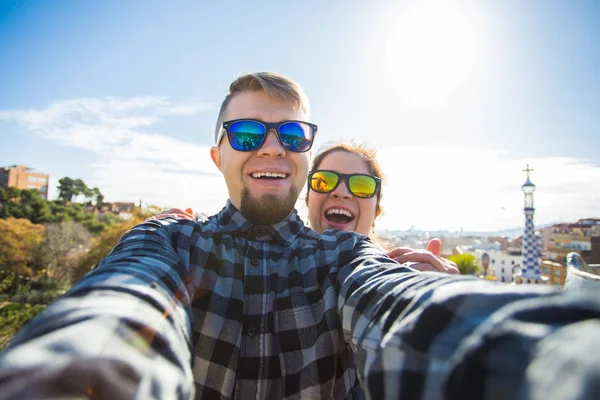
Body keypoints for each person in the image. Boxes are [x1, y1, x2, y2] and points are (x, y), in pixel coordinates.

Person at [1, 72, 600, 400]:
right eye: (246, 134)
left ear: (304, 154)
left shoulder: (343, 257)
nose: (270, 147)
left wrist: (557, 358)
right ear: (217, 155)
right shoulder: (168, 242)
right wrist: (75, 370)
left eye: (290, 135)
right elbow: (124, 305)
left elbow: (404, 308)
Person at [305, 142, 459, 274]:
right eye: (324, 181)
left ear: (376, 213)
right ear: (307, 200)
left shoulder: (396, 272)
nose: (341, 192)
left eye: (362, 185)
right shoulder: (282, 267)